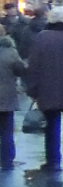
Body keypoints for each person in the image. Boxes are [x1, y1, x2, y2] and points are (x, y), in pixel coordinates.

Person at [24, 5, 63, 175]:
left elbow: (34, 66)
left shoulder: (42, 38)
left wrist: (33, 89)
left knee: (51, 127)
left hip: (48, 90)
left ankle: (53, 161)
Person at [0, 30, 27, 169]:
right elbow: (20, 70)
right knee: (6, 130)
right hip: (6, 97)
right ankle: (7, 160)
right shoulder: (10, 52)